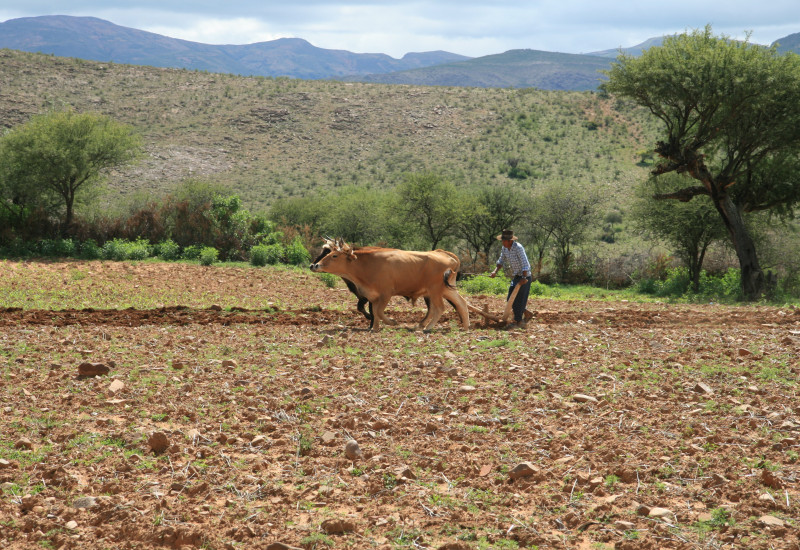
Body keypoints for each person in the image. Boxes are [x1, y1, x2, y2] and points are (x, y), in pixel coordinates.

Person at [489, 229, 533, 329]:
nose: (502, 242)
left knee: (520, 300)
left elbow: (525, 264)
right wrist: (495, 271)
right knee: (510, 299)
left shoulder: (518, 248)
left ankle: (518, 322)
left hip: (524, 277)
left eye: (504, 241)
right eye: (502, 240)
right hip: (516, 276)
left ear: (510, 241)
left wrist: (524, 277)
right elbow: (501, 261)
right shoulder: (505, 248)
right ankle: (526, 313)